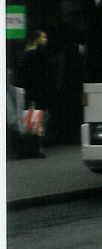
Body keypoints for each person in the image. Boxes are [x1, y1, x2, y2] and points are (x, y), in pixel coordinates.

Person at [19, 29, 51, 158]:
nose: (45, 40)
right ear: (37, 39)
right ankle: (36, 147)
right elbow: (43, 74)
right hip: (38, 91)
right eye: (43, 37)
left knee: (30, 119)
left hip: (30, 91)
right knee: (38, 119)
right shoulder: (38, 54)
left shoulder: (26, 53)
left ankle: (29, 148)